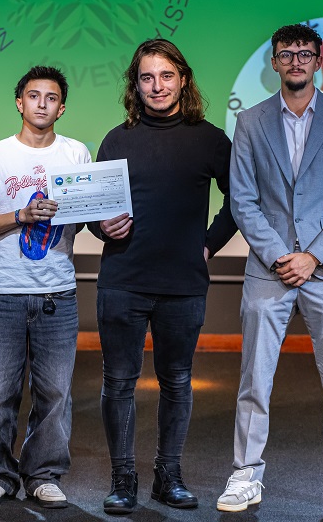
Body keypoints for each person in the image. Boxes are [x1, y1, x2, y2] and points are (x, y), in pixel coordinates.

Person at [217, 23, 323, 515]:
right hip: (270, 271)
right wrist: (280, 256)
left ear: (319, 61)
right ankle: (245, 474)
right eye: (287, 54)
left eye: (305, 53)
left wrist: (313, 257)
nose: (296, 62)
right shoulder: (251, 122)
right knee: (254, 379)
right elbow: (242, 200)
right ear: (274, 62)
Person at [90, 39, 238, 514]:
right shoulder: (117, 139)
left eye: (167, 76)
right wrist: (100, 225)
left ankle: (168, 474)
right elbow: (95, 208)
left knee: (177, 382)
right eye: (147, 77)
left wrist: (210, 243)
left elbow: (239, 202)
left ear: (183, 80)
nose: (157, 86)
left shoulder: (211, 139)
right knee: (118, 383)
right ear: (136, 85)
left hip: (183, 284)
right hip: (123, 279)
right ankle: (124, 478)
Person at [0, 66, 91, 509]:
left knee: (55, 392)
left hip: (58, 291)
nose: (41, 104)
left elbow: (94, 211)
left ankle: (43, 474)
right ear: (19, 102)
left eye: (50, 98)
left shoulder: (77, 155)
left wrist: (113, 215)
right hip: (4, 294)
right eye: (33, 96)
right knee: (0, 391)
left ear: (62, 107)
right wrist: (20, 216)